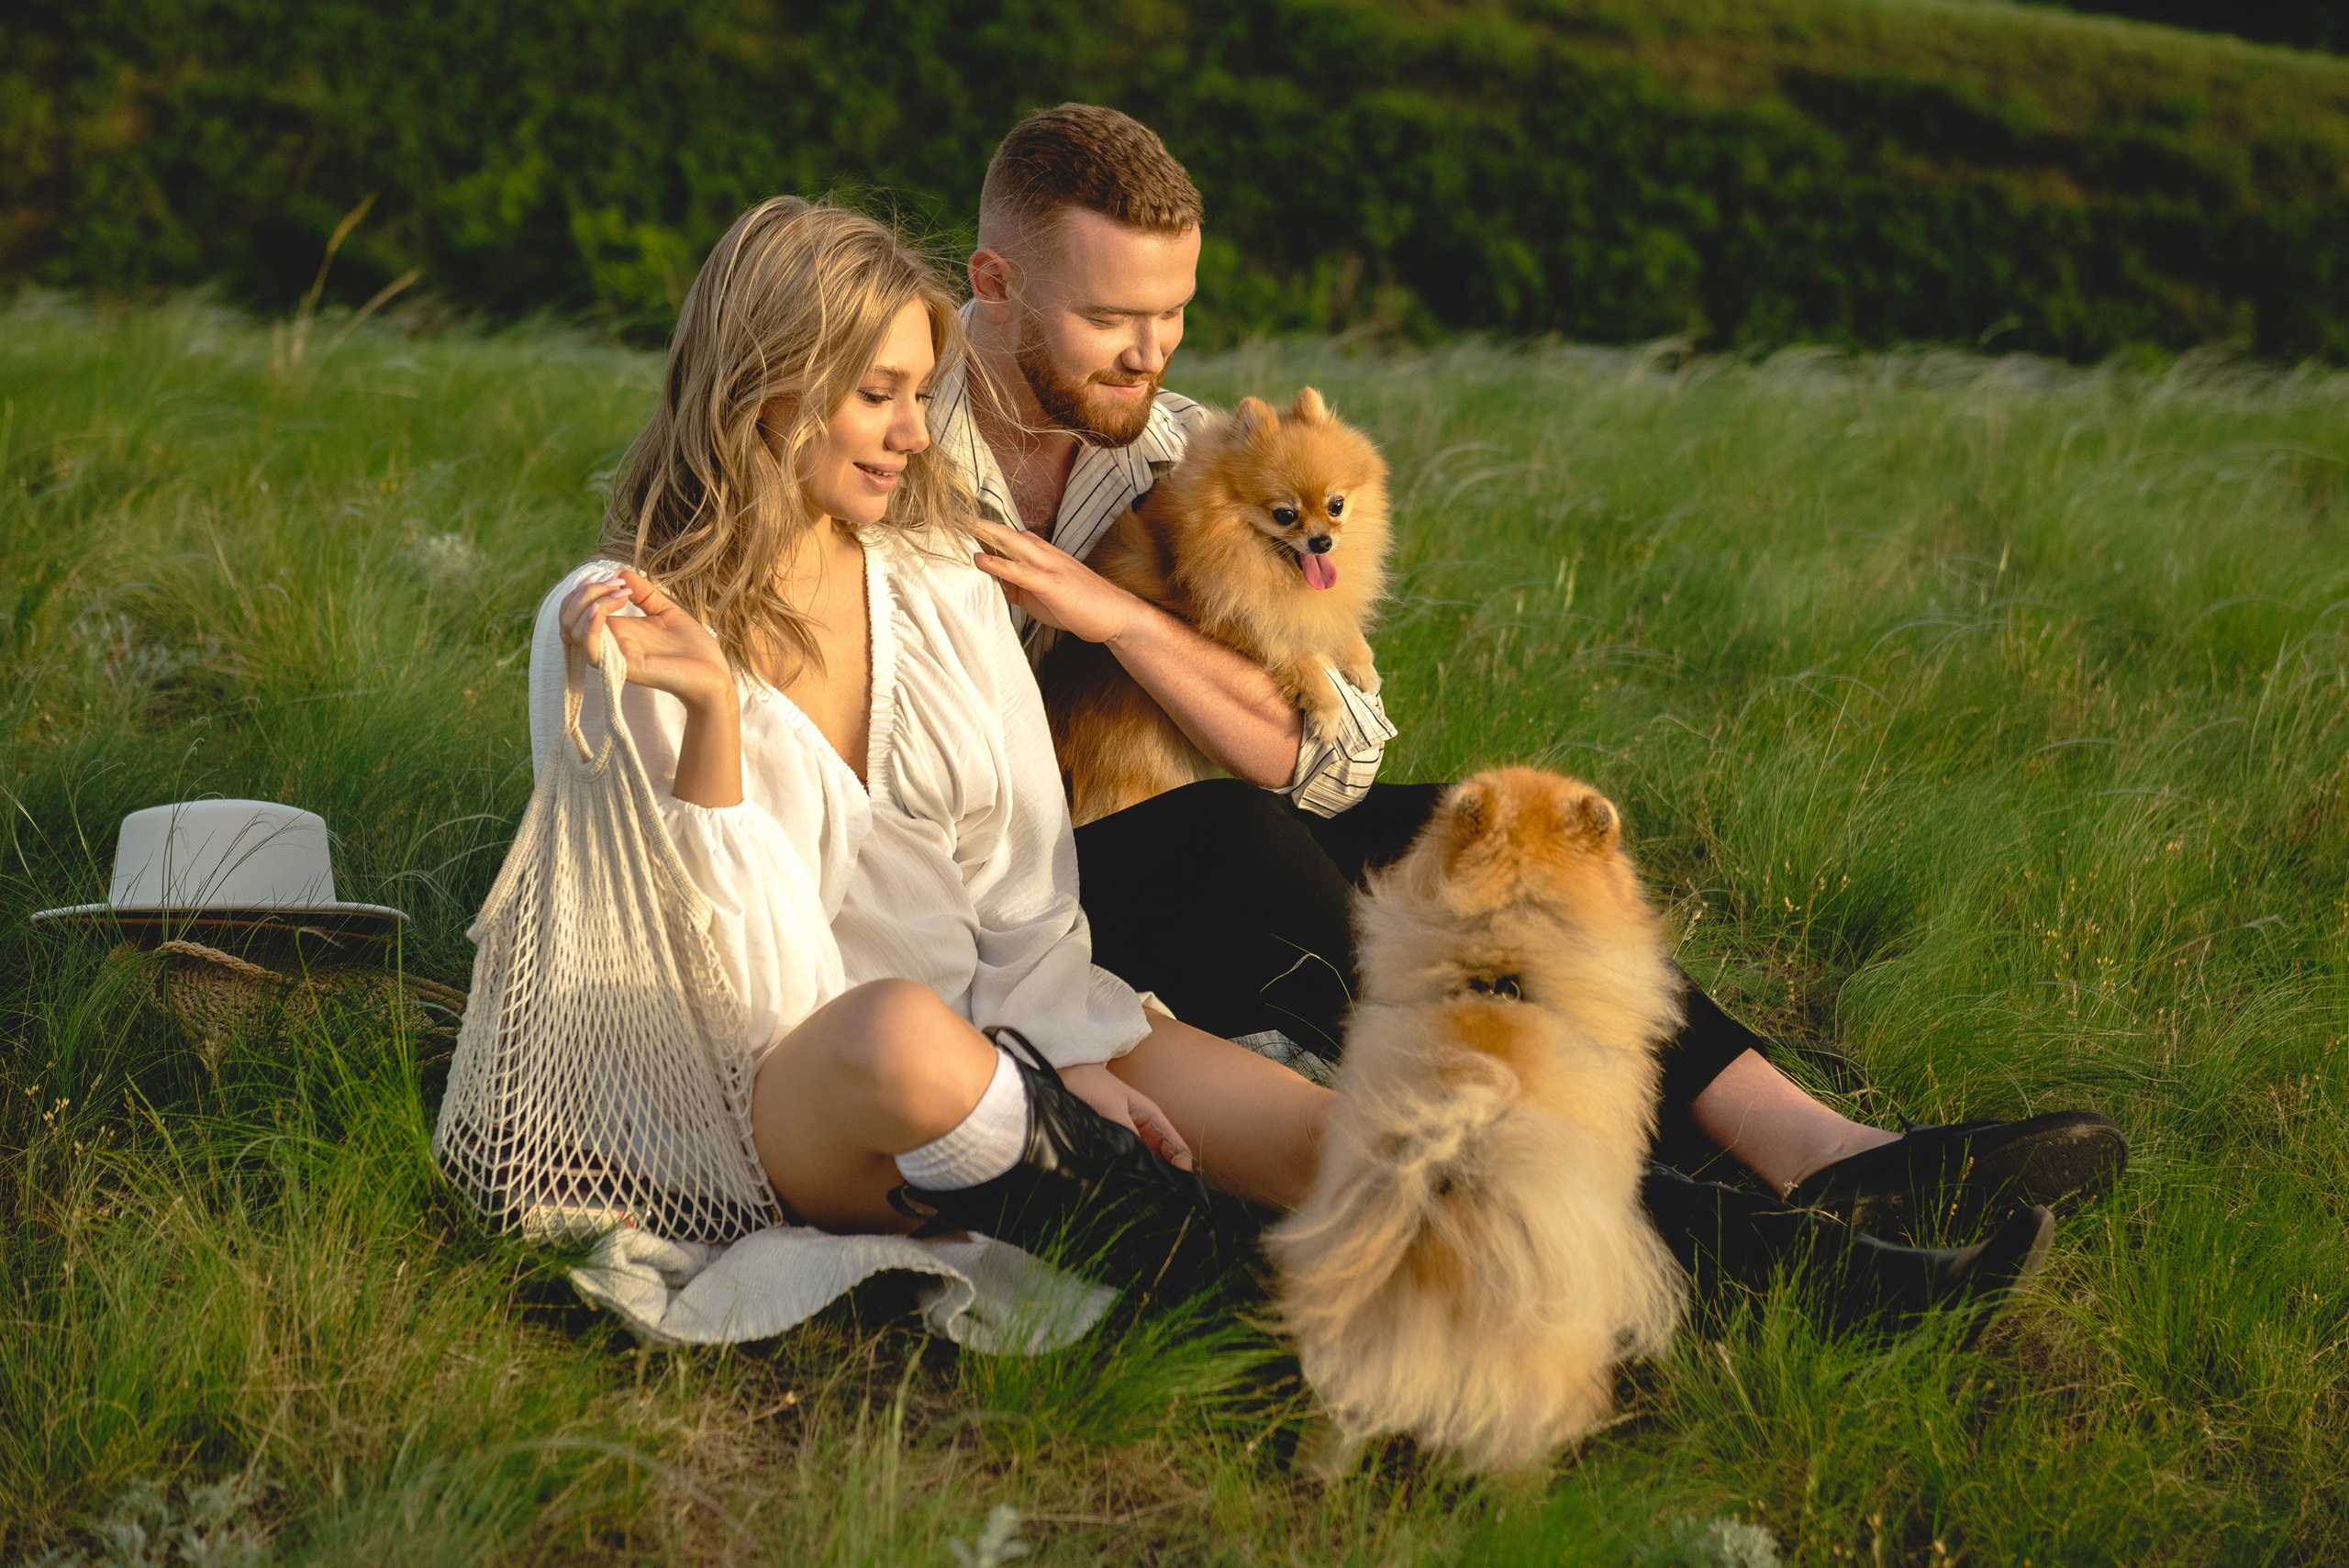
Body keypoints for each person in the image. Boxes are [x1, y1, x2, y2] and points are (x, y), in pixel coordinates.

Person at [538, 190, 2039, 1329]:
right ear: (770, 384)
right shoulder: (628, 624)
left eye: (911, 395)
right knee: (960, 1009)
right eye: (877, 397)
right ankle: (1258, 1289)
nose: (907, 435)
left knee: (1391, 1045)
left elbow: (1078, 849)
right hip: (828, 1064)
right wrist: (721, 729)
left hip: (1032, 988)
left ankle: (1789, 1241)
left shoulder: (955, 558)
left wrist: (1064, 1041)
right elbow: (722, 975)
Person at [929, 104, 2125, 1282]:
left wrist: (1128, 621)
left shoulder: (1192, 453)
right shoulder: (887, 450)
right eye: (1109, 318)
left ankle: (1817, 1148)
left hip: (1182, 830)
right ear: (995, 280)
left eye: (1174, 313)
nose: (1152, 351)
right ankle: (1732, 1236)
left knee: (1473, 830)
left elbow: (1338, 753)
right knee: (1229, 838)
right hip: (1000, 890)